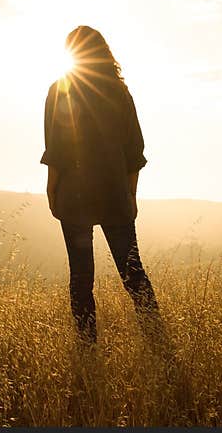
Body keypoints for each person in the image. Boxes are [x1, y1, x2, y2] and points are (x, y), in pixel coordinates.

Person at [41, 25, 165, 346]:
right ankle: (159, 343)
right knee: (134, 275)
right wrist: (131, 196)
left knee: (81, 279)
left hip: (74, 197)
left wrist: (52, 190)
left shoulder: (60, 90)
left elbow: (57, 148)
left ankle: (88, 350)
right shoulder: (120, 94)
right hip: (114, 196)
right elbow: (134, 151)